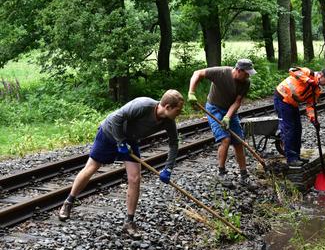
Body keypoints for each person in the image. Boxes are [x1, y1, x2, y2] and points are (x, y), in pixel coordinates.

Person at [58, 90, 184, 237]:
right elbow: (117, 118)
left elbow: (174, 144)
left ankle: (129, 222)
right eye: (178, 110)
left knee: (135, 178)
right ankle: (68, 202)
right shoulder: (142, 105)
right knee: (92, 167)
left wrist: (168, 168)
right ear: (167, 107)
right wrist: (120, 142)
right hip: (109, 132)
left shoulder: (169, 121)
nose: (180, 113)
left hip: (130, 140)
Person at [187, 59, 256, 189]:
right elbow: (197, 73)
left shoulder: (246, 82)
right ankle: (221, 173)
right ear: (239, 70)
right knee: (225, 139)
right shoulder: (221, 72)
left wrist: (228, 117)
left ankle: (244, 176)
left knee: (238, 141)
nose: (248, 76)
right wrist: (191, 92)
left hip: (229, 110)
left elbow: (237, 101)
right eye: (246, 73)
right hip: (214, 108)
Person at [274, 67, 325, 167]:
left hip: (292, 103)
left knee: (298, 129)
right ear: (321, 75)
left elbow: (310, 106)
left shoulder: (316, 90)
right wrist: (308, 80)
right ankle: (291, 159)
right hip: (282, 97)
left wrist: (313, 119)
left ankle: (296, 156)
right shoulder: (308, 73)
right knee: (289, 129)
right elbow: (292, 70)